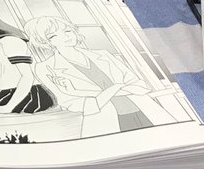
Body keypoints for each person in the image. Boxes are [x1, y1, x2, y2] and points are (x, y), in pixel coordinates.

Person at [24, 17, 174, 136]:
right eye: (53, 35)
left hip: (144, 110)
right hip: (105, 120)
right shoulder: (45, 68)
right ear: (44, 42)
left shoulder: (103, 55)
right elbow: (72, 102)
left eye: (67, 30)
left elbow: (140, 86)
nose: (65, 36)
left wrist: (83, 92)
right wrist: (116, 87)